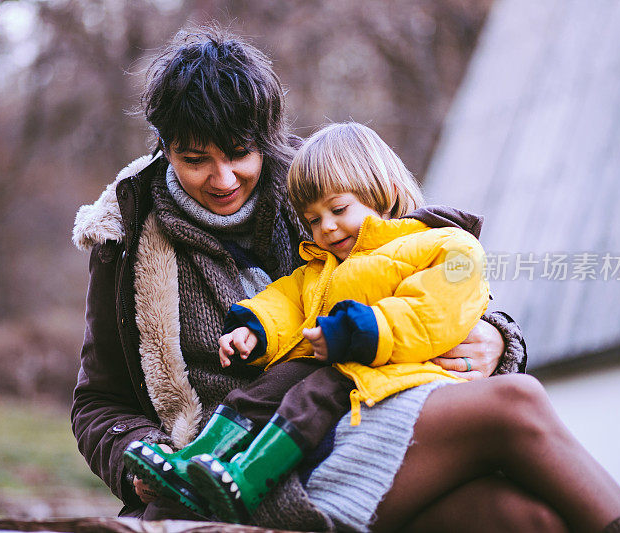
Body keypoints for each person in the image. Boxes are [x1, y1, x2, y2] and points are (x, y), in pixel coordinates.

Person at [71, 27, 620, 532]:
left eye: (240, 153)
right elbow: (98, 403)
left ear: (263, 137)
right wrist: (138, 456)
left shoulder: (319, 187)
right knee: (516, 407)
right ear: (163, 146)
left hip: (357, 415)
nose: (223, 178)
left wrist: (497, 338)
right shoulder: (127, 236)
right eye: (195, 159)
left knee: (527, 521)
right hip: (241, 466)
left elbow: (433, 263)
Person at [123, 121, 490, 522]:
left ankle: (250, 477)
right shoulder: (322, 265)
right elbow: (286, 300)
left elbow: (433, 310)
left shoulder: (444, 244)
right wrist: (254, 330)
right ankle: (194, 459)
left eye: (338, 209)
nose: (326, 228)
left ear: (385, 194)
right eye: (313, 220)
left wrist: (359, 331)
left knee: (309, 397)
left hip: (386, 370)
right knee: (261, 392)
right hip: (332, 362)